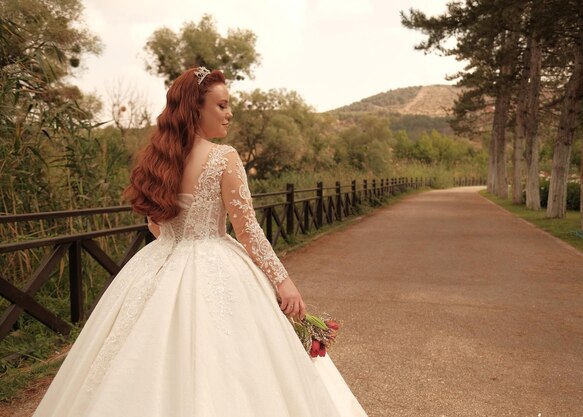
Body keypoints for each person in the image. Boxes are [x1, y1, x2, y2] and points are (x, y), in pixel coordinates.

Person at [31, 67, 369, 417]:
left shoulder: (157, 158)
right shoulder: (224, 158)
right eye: (221, 105)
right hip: (215, 259)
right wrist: (282, 281)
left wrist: (181, 243)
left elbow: (156, 226)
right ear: (196, 108)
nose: (229, 113)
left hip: (157, 263)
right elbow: (248, 230)